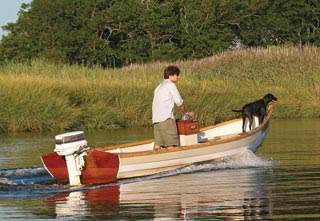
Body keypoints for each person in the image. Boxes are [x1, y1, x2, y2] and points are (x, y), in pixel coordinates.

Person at [152, 65, 194, 151]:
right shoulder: (171, 85)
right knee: (171, 145)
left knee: (157, 146)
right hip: (166, 119)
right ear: (171, 75)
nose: (178, 77)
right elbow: (179, 101)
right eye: (176, 75)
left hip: (156, 121)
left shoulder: (159, 86)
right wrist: (186, 112)